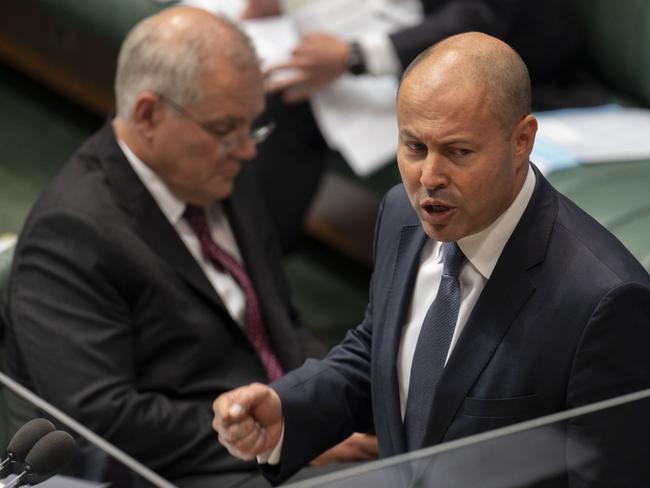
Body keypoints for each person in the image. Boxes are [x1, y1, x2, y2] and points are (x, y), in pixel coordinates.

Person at [213, 32, 650, 486]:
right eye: (414, 147)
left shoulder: (606, 302)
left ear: (522, 141)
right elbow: (380, 350)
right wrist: (290, 409)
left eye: (458, 152)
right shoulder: (402, 214)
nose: (430, 178)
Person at [4, 7, 376, 487]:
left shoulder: (221, 174)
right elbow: (103, 420)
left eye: (252, 126)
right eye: (226, 130)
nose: (247, 150)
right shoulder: (72, 232)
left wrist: (319, 404)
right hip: (183, 467)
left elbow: (279, 322)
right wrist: (280, 437)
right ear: (148, 114)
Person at [242, 0, 580, 251]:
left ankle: (254, 275)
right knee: (282, 92)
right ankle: (248, 272)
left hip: (511, 67)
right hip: (399, 38)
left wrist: (356, 55)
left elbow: (479, 16)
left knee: (290, 97)